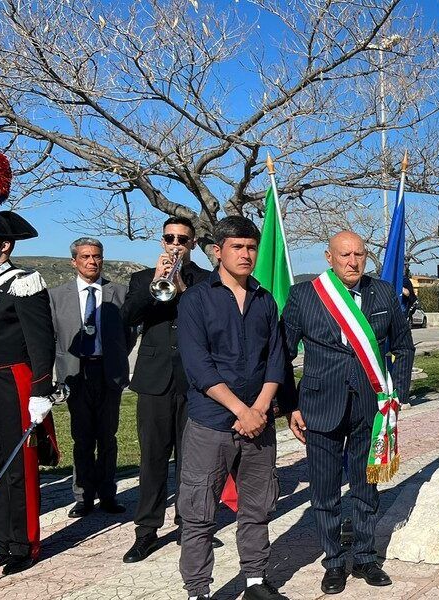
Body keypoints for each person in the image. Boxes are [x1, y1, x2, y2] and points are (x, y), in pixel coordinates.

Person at [281, 231, 414, 594]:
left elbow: (402, 346)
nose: (352, 261)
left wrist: (396, 394)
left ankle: (366, 557)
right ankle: (334, 561)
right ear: (329, 257)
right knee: (324, 492)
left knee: (365, 487)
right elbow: (282, 355)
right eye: (344, 255)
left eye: (359, 254)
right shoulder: (304, 296)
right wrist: (290, 405)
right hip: (319, 407)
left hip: (370, 408)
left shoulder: (384, 292)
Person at [177, 215, 288, 600]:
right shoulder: (195, 299)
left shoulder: (265, 299)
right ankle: (198, 591)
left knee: (257, 507)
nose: (246, 254)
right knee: (199, 513)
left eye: (252, 247)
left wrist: (258, 409)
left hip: (258, 424)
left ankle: (255, 581)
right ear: (218, 251)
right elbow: (198, 366)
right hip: (211, 424)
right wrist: (242, 411)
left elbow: (277, 360)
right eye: (237, 247)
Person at [0, 153, 60, 575]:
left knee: (18, 467)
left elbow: (42, 342)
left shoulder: (23, 281)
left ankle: (23, 544)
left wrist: (41, 392)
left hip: (12, 381)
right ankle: (1, 540)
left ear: (4, 245)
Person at [120, 216, 214, 562]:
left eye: (182, 239)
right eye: (169, 238)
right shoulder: (141, 279)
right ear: (162, 241)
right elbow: (127, 317)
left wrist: (183, 288)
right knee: (153, 459)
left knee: (193, 461)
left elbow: (208, 320)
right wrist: (157, 283)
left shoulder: (205, 280)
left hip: (193, 382)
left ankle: (190, 526)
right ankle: (146, 531)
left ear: (192, 243)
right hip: (154, 380)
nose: (175, 243)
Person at [49, 237, 133, 517]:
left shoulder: (119, 293)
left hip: (108, 373)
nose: (92, 262)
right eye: (85, 257)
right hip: (75, 373)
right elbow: (52, 337)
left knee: (107, 436)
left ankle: (108, 493)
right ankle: (82, 495)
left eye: (96, 256)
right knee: (82, 437)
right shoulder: (56, 296)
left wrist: (115, 357)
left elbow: (129, 335)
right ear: (74, 261)